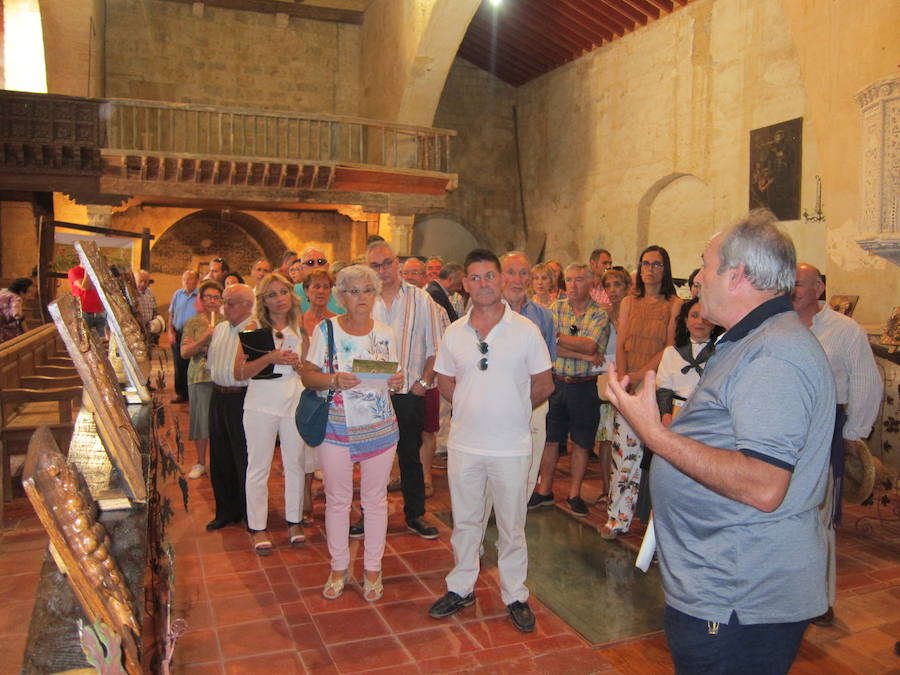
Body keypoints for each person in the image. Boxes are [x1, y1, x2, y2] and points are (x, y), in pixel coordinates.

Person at [605, 210, 835, 675]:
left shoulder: (775, 355)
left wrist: (655, 435)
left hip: (739, 592)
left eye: (704, 266)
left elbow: (763, 485)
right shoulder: (751, 341)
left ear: (739, 275)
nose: (696, 279)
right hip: (720, 580)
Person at [428, 249, 554, 632]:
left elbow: (544, 383)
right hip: (466, 445)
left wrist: (513, 410)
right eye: (475, 278)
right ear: (465, 284)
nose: (483, 284)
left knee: (512, 525)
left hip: (511, 446)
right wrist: (473, 406)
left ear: (500, 280)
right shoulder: (454, 332)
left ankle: (514, 593)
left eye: (489, 276)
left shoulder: (526, 331)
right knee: (466, 521)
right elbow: (445, 380)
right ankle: (462, 585)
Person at [301, 264, 403, 602]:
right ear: (341, 296)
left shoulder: (386, 332)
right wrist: (333, 380)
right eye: (353, 291)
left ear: (375, 294)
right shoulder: (326, 329)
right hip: (336, 425)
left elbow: (393, 374)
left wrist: (397, 381)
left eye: (367, 290)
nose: (361, 297)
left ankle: (373, 568)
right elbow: (308, 375)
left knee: (375, 501)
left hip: (378, 426)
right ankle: (339, 565)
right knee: (338, 500)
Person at [793, 262, 882, 626]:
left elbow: (866, 383)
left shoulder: (845, 331)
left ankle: (819, 601)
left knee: (819, 514)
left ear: (820, 288)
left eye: (798, 283)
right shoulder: (778, 324)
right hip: (786, 426)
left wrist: (852, 434)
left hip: (827, 428)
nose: (791, 289)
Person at [361, 241, 442, 539]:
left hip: (410, 392)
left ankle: (415, 514)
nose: (382, 271)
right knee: (371, 458)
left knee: (410, 455)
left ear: (397, 263)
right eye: (375, 265)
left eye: (386, 263)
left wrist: (422, 384)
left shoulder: (421, 300)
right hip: (372, 394)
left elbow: (436, 347)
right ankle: (367, 514)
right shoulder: (364, 301)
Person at [602, 245, 681, 539]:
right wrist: (623, 380)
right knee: (624, 454)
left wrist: (639, 376)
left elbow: (669, 348)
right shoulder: (628, 303)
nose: (650, 269)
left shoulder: (674, 304)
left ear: (665, 268)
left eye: (657, 264)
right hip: (629, 386)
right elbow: (621, 342)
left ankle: (659, 526)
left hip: (656, 387)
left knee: (660, 458)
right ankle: (617, 517)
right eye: (646, 264)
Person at [234, 273, 308, 555]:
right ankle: (257, 526)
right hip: (261, 402)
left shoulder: (300, 329)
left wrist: (299, 364)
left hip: (294, 400)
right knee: (259, 466)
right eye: (272, 295)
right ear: (263, 300)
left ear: (292, 295)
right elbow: (238, 372)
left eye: (283, 292)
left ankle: (294, 520)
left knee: (295, 463)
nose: (279, 299)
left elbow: (307, 369)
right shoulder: (254, 329)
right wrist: (270, 357)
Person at [528, 263, 609, 516]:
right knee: (550, 440)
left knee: (582, 443)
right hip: (557, 382)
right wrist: (582, 352)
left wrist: (561, 340)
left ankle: (574, 494)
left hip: (583, 386)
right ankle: (544, 491)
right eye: (569, 279)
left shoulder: (599, 313)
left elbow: (590, 346)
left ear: (590, 283)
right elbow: (546, 344)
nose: (573, 285)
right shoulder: (555, 309)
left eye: (579, 280)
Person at [635, 297, 722, 521]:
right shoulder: (672, 353)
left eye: (705, 317)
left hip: (706, 421)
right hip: (674, 417)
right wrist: (665, 415)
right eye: (694, 315)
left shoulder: (721, 353)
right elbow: (663, 387)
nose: (699, 322)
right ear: (685, 320)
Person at [205, 283, 254, 531]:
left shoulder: (255, 330)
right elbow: (212, 364)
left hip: (242, 398)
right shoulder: (221, 329)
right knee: (220, 455)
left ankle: (248, 510)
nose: (224, 307)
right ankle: (225, 510)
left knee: (243, 456)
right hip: (219, 396)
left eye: (230, 303)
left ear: (247, 305)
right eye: (224, 301)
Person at [594, 267, 632, 501]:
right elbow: (595, 342)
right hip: (608, 379)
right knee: (605, 437)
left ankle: (624, 489)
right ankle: (605, 488)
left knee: (625, 436)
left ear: (628, 287)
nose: (613, 290)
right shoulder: (602, 314)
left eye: (618, 284)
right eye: (608, 285)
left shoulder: (633, 313)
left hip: (630, 379)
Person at [180, 279, 223, 480]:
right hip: (199, 376)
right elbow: (186, 352)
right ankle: (200, 462)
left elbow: (229, 350)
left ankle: (219, 462)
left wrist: (203, 348)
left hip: (222, 378)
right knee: (201, 421)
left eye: (216, 297)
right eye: (209, 297)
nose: (213, 301)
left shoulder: (226, 322)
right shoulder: (193, 322)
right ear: (202, 299)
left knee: (219, 422)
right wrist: (205, 339)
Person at [167, 269, 199, 404]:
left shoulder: (199, 296)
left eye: (189, 279)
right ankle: (181, 393)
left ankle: (192, 393)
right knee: (179, 364)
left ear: (196, 281)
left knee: (192, 364)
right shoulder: (177, 294)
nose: (186, 281)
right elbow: (171, 314)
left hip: (193, 335)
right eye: (184, 279)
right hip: (178, 333)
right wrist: (170, 331)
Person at [294, 247, 344, 315]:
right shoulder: (292, 292)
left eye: (321, 262)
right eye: (310, 263)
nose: (316, 266)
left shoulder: (339, 294)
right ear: (301, 268)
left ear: (327, 266)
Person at [68, 263, 107, 339]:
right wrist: (88, 270)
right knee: (84, 341)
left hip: (100, 311)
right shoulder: (73, 271)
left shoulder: (98, 271)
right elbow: (85, 286)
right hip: (84, 312)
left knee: (102, 341)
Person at [0, 277, 34, 342]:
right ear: (21, 292)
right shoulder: (16, 298)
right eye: (29, 292)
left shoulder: (4, 292)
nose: (30, 295)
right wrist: (28, 335)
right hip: (5, 335)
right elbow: (18, 316)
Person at [133, 269, 158, 341]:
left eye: (145, 281)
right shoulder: (132, 294)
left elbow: (154, 310)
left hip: (149, 330)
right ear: (135, 280)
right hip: (136, 331)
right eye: (141, 281)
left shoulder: (150, 293)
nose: (143, 284)